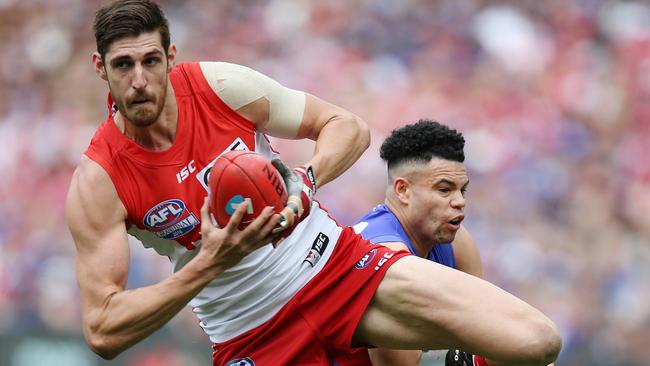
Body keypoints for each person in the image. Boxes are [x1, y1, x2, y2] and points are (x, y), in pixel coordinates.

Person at [66, 1, 562, 365]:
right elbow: (104, 330)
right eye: (123, 66)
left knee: (534, 341)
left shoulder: (219, 87)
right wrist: (207, 265)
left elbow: (348, 126)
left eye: (150, 61)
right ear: (99, 69)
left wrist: (305, 181)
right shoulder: (99, 179)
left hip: (334, 270)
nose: (139, 81)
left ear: (170, 57)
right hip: (249, 336)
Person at [340, 120, 489, 365]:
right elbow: (403, 364)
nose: (459, 201)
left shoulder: (455, 240)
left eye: (462, 191)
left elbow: (485, 323)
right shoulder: (381, 255)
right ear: (403, 190)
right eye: (444, 190)